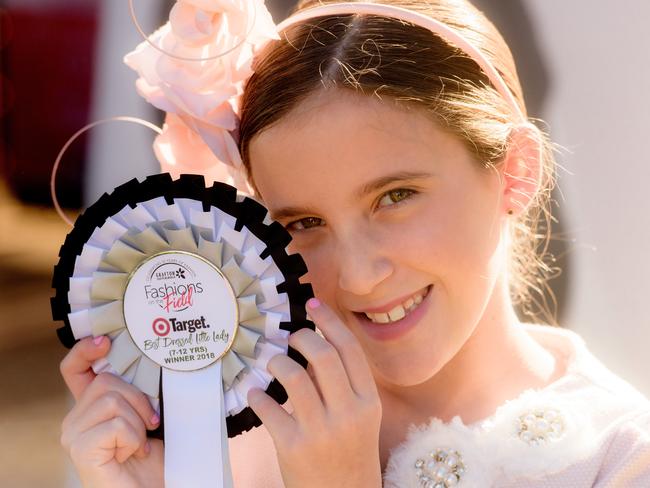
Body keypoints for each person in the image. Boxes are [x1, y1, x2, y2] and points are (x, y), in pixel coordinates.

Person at [59, 0, 650, 486]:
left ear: (515, 171)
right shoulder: (232, 438)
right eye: (303, 224)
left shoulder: (618, 455)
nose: (360, 276)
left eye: (395, 197)